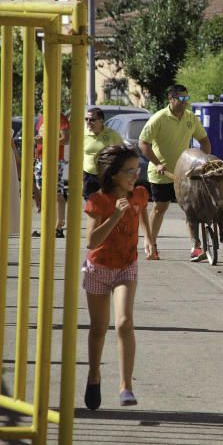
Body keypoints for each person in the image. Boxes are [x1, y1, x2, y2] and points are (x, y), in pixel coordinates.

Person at [82, 145, 153, 410]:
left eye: (138, 168)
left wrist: (148, 238)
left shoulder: (140, 194)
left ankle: (126, 387)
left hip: (126, 266)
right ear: (113, 175)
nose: (136, 174)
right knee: (99, 329)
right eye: (130, 170)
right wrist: (115, 215)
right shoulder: (98, 200)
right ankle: (94, 375)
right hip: (98, 268)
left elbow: (143, 209)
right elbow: (92, 242)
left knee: (124, 322)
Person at [138, 84, 211, 261]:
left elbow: (204, 140)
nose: (185, 102)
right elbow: (143, 143)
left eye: (187, 98)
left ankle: (196, 247)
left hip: (184, 173)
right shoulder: (159, 118)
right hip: (161, 173)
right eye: (181, 98)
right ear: (171, 99)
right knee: (159, 208)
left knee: (190, 209)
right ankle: (151, 245)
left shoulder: (190, 118)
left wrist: (204, 160)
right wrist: (156, 164)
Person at [34, 111, 70, 238]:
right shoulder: (41, 118)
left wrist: (45, 141)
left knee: (56, 192)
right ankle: (46, 226)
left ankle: (58, 226)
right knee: (42, 193)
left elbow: (66, 139)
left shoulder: (60, 117)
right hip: (40, 159)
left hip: (54, 160)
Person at [83, 107, 123, 200]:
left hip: (107, 174)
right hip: (89, 174)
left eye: (92, 120)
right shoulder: (83, 133)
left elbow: (121, 152)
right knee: (91, 204)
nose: (88, 122)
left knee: (108, 201)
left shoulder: (111, 134)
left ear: (101, 121)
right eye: (86, 119)